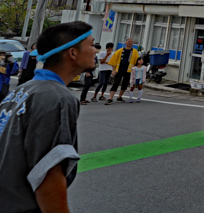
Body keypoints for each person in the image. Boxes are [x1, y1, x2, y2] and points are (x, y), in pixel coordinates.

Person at [0, 21, 96, 213]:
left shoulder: (23, 90)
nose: (96, 51)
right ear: (73, 53)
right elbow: (48, 173)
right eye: (92, 44)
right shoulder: (57, 97)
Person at [105, 38, 140, 105]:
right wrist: (114, 70)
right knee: (115, 83)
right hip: (119, 69)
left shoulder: (135, 52)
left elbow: (137, 61)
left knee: (125, 84)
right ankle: (110, 98)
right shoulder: (119, 51)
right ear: (125, 43)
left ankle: (119, 97)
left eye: (131, 42)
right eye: (128, 41)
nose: (130, 42)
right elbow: (113, 61)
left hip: (129, 70)